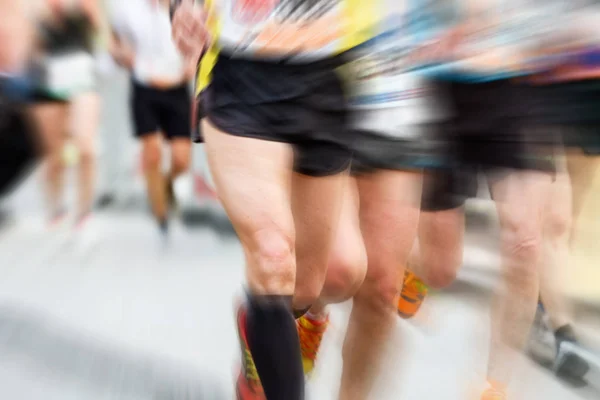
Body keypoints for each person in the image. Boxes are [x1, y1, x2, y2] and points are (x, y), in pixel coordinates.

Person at [394, 1, 556, 398]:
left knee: (525, 245)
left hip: (516, 90)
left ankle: (494, 386)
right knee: (441, 269)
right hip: (439, 89)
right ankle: (404, 266)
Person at [110, 0, 195, 239]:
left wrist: (192, 63)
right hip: (144, 85)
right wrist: (121, 54)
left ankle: (166, 187)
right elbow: (114, 40)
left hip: (176, 85)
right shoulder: (126, 8)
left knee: (181, 159)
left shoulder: (184, 5)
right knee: (152, 152)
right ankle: (160, 216)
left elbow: (199, 38)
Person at [29, 0, 104, 234]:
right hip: (49, 81)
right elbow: (29, 43)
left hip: (82, 79)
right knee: (53, 154)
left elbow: (100, 31)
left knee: (85, 147)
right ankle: (55, 206)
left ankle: (84, 211)